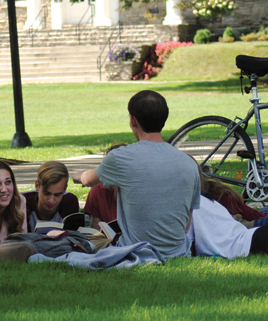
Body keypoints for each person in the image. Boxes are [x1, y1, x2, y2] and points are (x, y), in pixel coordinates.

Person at [72, 90, 201, 259]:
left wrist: (77, 174)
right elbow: (187, 223)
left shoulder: (121, 158)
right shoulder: (189, 164)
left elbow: (88, 179)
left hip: (136, 252)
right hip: (178, 253)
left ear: (132, 120)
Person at [23, 161, 79, 232]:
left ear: (65, 189)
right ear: (37, 186)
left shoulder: (69, 202)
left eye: (57, 195)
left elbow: (74, 237)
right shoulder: (23, 202)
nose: (51, 200)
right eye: (46, 193)